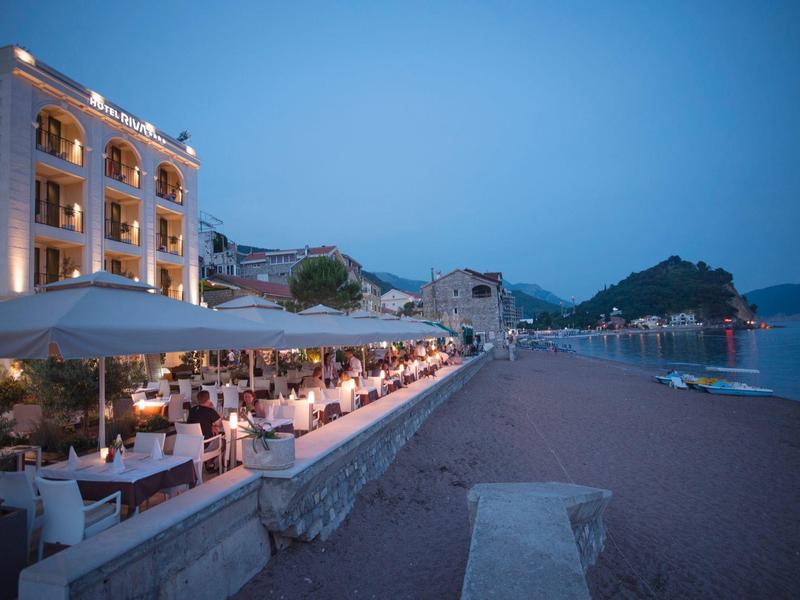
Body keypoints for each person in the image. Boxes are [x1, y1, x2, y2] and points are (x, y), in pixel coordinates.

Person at [187, 390, 223, 469]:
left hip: (191, 444)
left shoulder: (192, 410)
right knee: (223, 440)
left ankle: (208, 462)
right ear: (209, 400)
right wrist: (213, 408)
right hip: (204, 445)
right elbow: (220, 424)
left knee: (214, 433)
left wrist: (211, 426)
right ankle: (210, 463)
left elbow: (200, 422)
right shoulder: (210, 410)